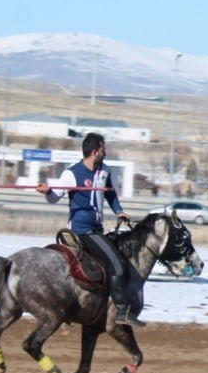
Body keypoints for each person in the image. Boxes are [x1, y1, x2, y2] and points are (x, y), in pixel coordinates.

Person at [36, 132, 145, 328]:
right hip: (82, 231)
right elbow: (54, 197)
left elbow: (110, 194)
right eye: (103, 149)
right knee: (117, 262)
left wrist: (119, 211)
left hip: (97, 229)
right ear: (95, 152)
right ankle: (122, 310)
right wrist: (48, 191)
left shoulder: (104, 171)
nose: (105, 152)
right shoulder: (72, 174)